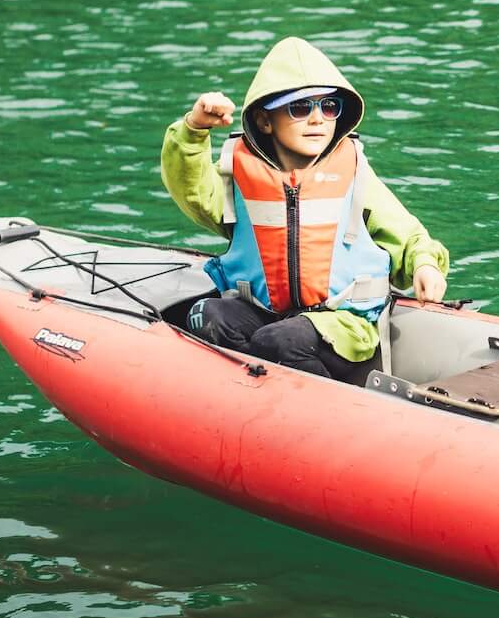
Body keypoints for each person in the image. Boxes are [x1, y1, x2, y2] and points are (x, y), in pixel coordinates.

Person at [161, 36, 450, 383]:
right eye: (300, 108)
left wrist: (426, 264)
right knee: (205, 314)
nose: (318, 119)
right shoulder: (238, 175)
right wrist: (194, 130)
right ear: (266, 121)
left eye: (329, 107)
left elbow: (405, 232)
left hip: (342, 325)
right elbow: (190, 190)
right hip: (266, 312)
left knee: (278, 341)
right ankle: (247, 397)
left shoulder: (354, 172)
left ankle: (333, 417)